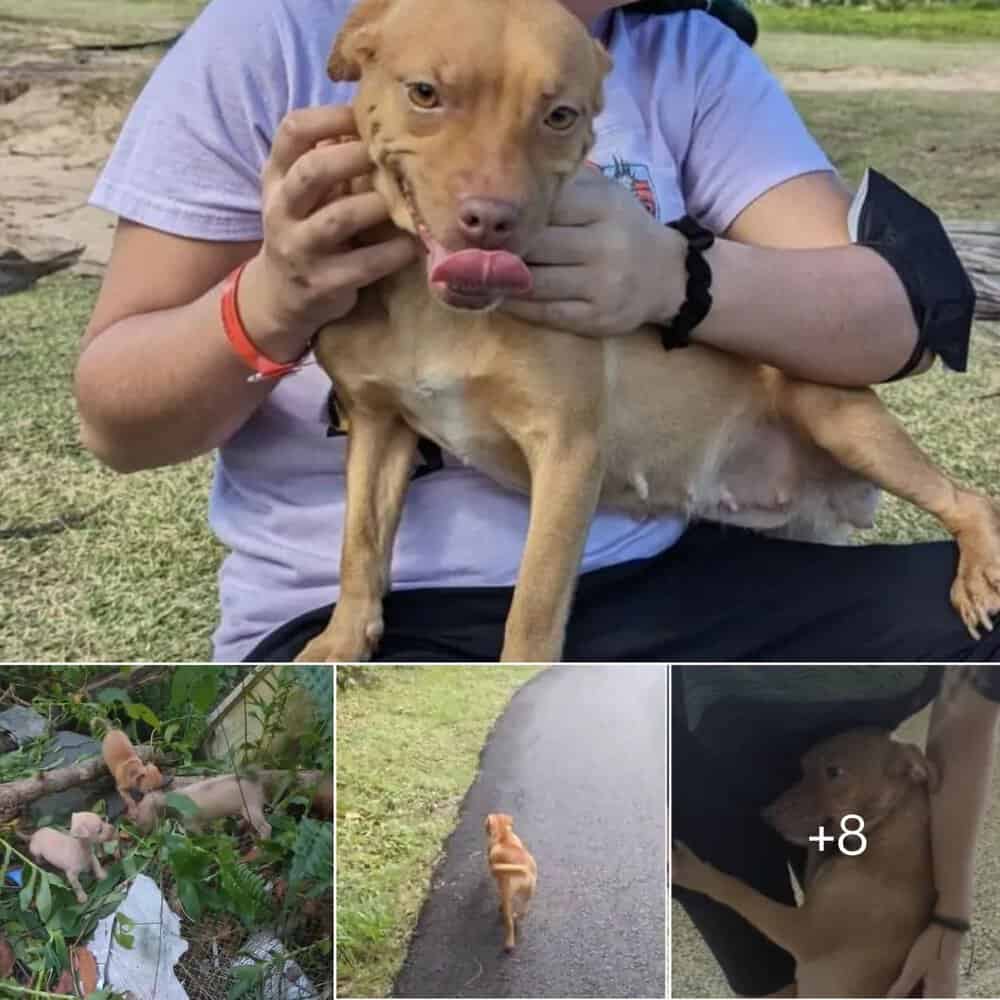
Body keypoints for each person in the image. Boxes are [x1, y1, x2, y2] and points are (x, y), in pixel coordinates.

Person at [76, 0, 991, 664]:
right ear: (358, 62)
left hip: (670, 564)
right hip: (368, 618)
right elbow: (115, 426)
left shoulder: (685, 50)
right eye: (429, 95)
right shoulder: (273, 30)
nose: (493, 193)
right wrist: (270, 301)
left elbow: (893, 319)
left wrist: (674, 276)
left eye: (554, 120)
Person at [672, 664, 1000, 998]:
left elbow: (803, 937)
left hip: (822, 752)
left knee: (784, 974)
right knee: (801, 964)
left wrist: (709, 881)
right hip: (710, 736)